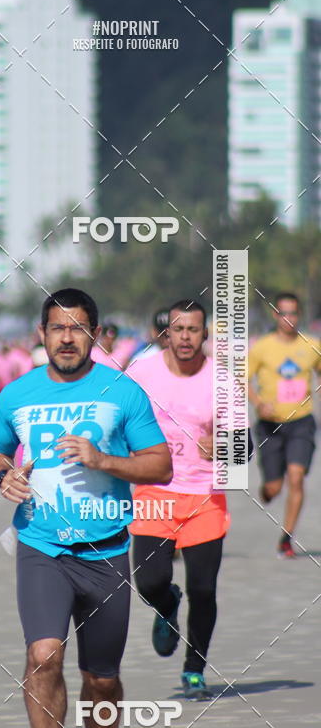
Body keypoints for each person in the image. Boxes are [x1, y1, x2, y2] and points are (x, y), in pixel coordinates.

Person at [0, 288, 171, 728]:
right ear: (41, 335)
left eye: (79, 328)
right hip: (41, 547)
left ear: (95, 334)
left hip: (108, 552)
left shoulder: (122, 392)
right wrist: (3, 473)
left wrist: (104, 459)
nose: (68, 338)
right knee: (43, 655)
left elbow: (160, 465)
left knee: (102, 679)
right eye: (58, 328)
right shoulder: (16, 395)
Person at [126, 300, 251, 701]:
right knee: (148, 582)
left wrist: (224, 445)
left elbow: (245, 446)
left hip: (204, 497)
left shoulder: (222, 381)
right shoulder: (141, 373)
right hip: (154, 493)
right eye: (177, 330)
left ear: (204, 335)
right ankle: (167, 604)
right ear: (166, 334)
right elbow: (112, 420)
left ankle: (194, 669)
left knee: (204, 588)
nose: (185, 337)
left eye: (193, 330)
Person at [248, 292, 321, 557]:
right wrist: (258, 403)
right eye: (283, 313)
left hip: (302, 422)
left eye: (293, 313)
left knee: (296, 477)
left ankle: (287, 538)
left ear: (298, 315)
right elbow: (243, 379)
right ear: (275, 315)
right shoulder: (262, 347)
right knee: (274, 488)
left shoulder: (311, 344)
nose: (288, 318)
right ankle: (268, 490)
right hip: (270, 425)